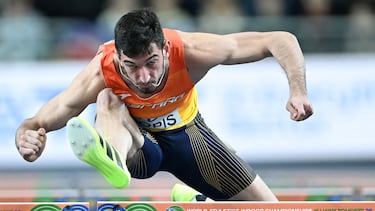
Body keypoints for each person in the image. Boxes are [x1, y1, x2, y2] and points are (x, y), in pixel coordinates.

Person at [15, 8, 313, 201]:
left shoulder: (193, 50)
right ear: (118, 57)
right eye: (131, 66)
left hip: (189, 137)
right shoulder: (100, 69)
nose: (143, 77)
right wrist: (28, 137)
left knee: (270, 207)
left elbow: (280, 39)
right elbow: (38, 121)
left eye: (151, 63)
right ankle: (111, 156)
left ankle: (193, 197)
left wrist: (297, 91)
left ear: (166, 50)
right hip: (138, 147)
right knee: (106, 97)